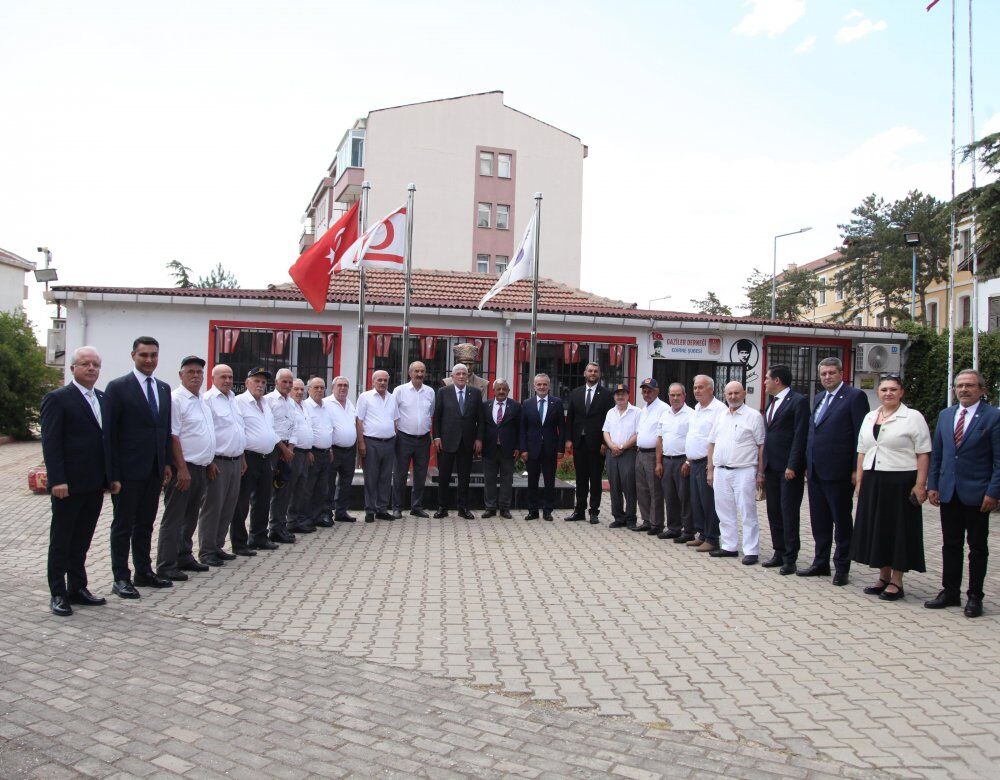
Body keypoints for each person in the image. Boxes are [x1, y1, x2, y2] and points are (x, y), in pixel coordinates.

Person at [41, 346, 118, 616]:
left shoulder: (103, 399)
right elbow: (51, 443)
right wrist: (57, 479)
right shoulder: (58, 399)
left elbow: (107, 441)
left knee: (82, 540)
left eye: (95, 364)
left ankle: (77, 588)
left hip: (95, 484)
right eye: (85, 364)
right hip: (68, 485)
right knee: (62, 540)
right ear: (73, 368)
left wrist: (112, 477)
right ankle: (58, 593)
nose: (91, 368)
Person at [926, 369, 1000, 617]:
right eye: (960, 386)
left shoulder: (993, 417)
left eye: (970, 385)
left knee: (977, 547)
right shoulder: (946, 415)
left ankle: (975, 597)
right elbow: (938, 454)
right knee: (950, 544)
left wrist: (993, 492)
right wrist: (933, 485)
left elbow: (999, 460)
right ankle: (950, 592)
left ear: (982, 389)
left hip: (978, 494)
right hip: (949, 491)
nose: (964, 390)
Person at [851, 374, 931, 601]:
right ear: (878, 392)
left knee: (898, 530)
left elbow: (923, 452)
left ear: (901, 392)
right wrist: (860, 480)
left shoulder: (913, 417)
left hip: (900, 481)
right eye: (884, 389)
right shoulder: (870, 416)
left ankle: (897, 581)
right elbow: (862, 450)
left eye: (893, 389)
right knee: (877, 529)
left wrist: (920, 484)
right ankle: (883, 576)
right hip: (873, 479)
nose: (888, 393)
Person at [105, 336, 173, 597]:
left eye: (153, 355)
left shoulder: (163, 388)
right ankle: (120, 577)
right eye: (144, 355)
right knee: (123, 525)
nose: (149, 360)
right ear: (133, 355)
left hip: (154, 470)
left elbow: (164, 429)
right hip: (128, 472)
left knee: (145, 524)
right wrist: (112, 474)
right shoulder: (118, 387)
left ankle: (143, 572)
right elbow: (110, 434)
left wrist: (166, 462)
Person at [799, 357, 869, 585]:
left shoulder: (855, 397)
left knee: (841, 521)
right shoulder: (819, 397)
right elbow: (814, 432)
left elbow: (861, 436)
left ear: (841, 373)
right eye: (823, 374)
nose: (827, 377)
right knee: (819, 521)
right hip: (816, 471)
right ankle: (821, 562)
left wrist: (856, 469)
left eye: (831, 373)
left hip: (839, 472)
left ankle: (842, 567)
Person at [155, 356, 216, 582]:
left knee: (190, 517)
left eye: (199, 372)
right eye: (190, 372)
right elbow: (173, 436)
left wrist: (209, 461)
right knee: (174, 518)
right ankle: (166, 564)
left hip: (200, 468)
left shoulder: (201, 400)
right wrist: (181, 468)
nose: (196, 376)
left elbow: (204, 433)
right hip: (184, 469)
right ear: (180, 375)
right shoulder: (176, 400)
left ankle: (184, 555)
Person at [707, 381, 765, 565]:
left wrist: (760, 473)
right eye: (729, 393)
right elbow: (712, 444)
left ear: (744, 394)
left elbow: (761, 445)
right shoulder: (721, 416)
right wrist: (710, 470)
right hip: (721, 470)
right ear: (725, 395)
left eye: (736, 393)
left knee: (747, 511)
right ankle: (729, 546)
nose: (733, 397)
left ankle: (751, 550)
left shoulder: (753, 416)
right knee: (724, 511)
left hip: (744, 470)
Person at [760, 365, 809, 575]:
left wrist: (793, 465)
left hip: (788, 469)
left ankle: (790, 558)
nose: (764, 382)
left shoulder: (798, 401)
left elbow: (800, 435)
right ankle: (778, 551)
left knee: (788, 513)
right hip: (772, 467)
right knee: (774, 512)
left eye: (767, 378)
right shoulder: (772, 402)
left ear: (777, 380)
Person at [198, 364, 246, 567]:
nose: (227, 380)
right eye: (223, 377)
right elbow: (206, 433)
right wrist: (209, 461)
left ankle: (218, 546)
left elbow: (238, 429)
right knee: (213, 508)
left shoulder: (233, 399)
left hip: (235, 460)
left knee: (228, 506)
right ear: (213, 378)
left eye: (230, 377)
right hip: (218, 462)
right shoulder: (208, 400)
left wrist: (242, 457)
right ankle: (207, 550)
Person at [231, 367, 281, 555]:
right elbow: (238, 431)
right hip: (248, 457)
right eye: (256, 381)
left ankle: (259, 536)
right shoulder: (239, 402)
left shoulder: (265, 403)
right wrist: (242, 457)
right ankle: (239, 542)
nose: (260, 385)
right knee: (242, 502)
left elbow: (270, 429)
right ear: (247, 383)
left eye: (263, 382)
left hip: (265, 458)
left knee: (263, 499)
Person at [563, 362, 614, 523]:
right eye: (590, 371)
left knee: (595, 478)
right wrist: (568, 439)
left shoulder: (606, 394)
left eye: (595, 371)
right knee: (580, 478)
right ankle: (579, 511)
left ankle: (594, 512)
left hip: (597, 444)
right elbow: (570, 418)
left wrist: (605, 443)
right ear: (585, 373)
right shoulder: (576, 392)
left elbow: (609, 421)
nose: (592, 373)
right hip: (579, 442)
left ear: (599, 374)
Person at [433, 363, 483, 519]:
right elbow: (437, 417)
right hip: (446, 441)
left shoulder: (475, 393)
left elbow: (480, 419)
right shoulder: (443, 392)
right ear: (452, 376)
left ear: (467, 376)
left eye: (464, 374)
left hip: (467, 441)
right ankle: (442, 507)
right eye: (458, 374)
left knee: (464, 477)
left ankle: (463, 508)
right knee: (444, 476)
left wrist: (479, 439)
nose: (461, 376)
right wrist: (437, 437)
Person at [685, 375, 727, 553]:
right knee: (697, 502)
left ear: (711, 389)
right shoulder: (697, 408)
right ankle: (702, 534)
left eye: (700, 387)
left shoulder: (719, 410)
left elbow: (718, 440)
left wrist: (711, 467)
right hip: (694, 462)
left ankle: (712, 538)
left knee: (709, 502)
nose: (697, 390)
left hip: (707, 463)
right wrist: (688, 460)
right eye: (695, 387)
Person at [392, 361, 435, 519]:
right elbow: (393, 414)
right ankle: (397, 507)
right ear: (410, 373)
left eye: (422, 371)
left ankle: (416, 506)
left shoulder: (430, 392)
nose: (419, 374)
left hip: (423, 439)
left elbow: (431, 413)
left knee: (420, 474)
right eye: (416, 371)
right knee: (400, 474)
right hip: (404, 438)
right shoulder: (400, 391)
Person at [519, 373, 564, 520]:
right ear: (534, 386)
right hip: (532, 449)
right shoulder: (527, 403)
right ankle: (532, 511)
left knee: (549, 481)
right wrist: (523, 449)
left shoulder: (557, 403)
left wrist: (560, 449)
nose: (542, 387)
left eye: (544, 384)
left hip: (550, 449)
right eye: (539, 384)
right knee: (532, 481)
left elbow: (562, 428)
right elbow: (522, 429)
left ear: (549, 386)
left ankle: (547, 511)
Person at [356, 370, 398, 522]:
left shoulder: (392, 398)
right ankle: (370, 510)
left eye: (385, 380)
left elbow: (395, 420)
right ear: (373, 382)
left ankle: (382, 509)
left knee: (385, 477)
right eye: (379, 380)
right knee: (371, 477)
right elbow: (359, 421)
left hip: (389, 442)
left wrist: (393, 437)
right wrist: (361, 442)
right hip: (371, 442)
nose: (382, 383)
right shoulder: (365, 397)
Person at [655, 382, 694, 542]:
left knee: (685, 497)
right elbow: (660, 439)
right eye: (672, 395)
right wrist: (658, 462)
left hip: (683, 461)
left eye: (678, 395)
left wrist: (688, 462)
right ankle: (673, 528)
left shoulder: (691, 414)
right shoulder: (665, 414)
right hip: (667, 460)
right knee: (670, 496)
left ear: (684, 396)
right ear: (668, 396)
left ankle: (689, 531)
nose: (675, 398)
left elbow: (694, 440)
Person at [295, 377, 334, 533]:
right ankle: (305, 518)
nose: (319, 390)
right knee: (307, 489)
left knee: (322, 488)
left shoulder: (326, 407)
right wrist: (309, 450)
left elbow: (327, 428)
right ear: (308, 389)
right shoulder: (305, 406)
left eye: (322, 387)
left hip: (325, 452)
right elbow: (306, 429)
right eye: (316, 387)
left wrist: (330, 449)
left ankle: (317, 517)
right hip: (312, 453)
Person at [265, 369, 298, 543]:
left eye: (290, 382)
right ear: (276, 382)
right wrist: (283, 449)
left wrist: (290, 446)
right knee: (270, 490)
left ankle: (280, 527)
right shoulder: (268, 400)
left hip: (288, 449)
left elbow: (294, 426)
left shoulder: (291, 402)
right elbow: (269, 428)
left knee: (284, 489)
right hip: (274, 448)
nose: (287, 385)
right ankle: (270, 528)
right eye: (284, 381)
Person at [480, 378, 520, 519]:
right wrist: (479, 442)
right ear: (494, 391)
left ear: (508, 390)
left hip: (508, 449)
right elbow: (481, 426)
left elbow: (519, 428)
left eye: (504, 389)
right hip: (489, 448)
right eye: (499, 389)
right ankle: (490, 508)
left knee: (507, 480)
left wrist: (518, 447)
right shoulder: (485, 406)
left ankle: (504, 508)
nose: (501, 391)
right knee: (489, 479)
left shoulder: (516, 406)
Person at [278, 378, 313, 542]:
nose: (299, 392)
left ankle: (294, 521)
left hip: (304, 453)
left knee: (300, 489)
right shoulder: (288, 406)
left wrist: (309, 449)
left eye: (301, 389)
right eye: (296, 389)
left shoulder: (304, 406)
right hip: (293, 452)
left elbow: (306, 429)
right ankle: (283, 523)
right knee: (287, 490)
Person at [602, 384, 639, 530]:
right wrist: (612, 446)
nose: (620, 396)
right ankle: (618, 517)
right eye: (617, 394)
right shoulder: (610, 412)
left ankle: (630, 519)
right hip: (612, 453)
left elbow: (638, 434)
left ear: (628, 395)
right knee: (615, 486)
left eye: (623, 393)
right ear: (614, 397)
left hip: (628, 452)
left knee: (629, 486)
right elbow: (605, 431)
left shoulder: (636, 412)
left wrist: (622, 447)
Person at [633, 378, 666, 535]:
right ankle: (646, 520)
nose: (647, 394)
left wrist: (659, 461)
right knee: (642, 489)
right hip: (640, 453)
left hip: (653, 454)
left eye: (650, 391)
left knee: (655, 491)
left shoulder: (663, 408)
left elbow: (661, 436)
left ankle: (656, 523)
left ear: (657, 391)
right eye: (644, 391)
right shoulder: (644, 408)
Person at [324, 376, 358, 523]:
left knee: (346, 482)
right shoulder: (326, 403)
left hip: (349, 450)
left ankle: (341, 512)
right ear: (333, 388)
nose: (343, 388)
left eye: (345, 385)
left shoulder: (350, 403)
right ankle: (326, 513)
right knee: (329, 483)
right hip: (333, 450)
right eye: (340, 385)